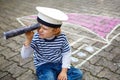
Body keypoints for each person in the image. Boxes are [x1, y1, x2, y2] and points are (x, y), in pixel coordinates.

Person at [21, 6, 83, 80]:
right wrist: (28, 40)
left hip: (59, 64)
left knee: (78, 73)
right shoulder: (36, 38)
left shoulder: (62, 38)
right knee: (49, 78)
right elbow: (24, 56)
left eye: (44, 28)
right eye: (38, 27)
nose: (40, 30)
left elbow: (66, 53)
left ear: (55, 30)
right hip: (44, 66)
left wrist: (63, 71)